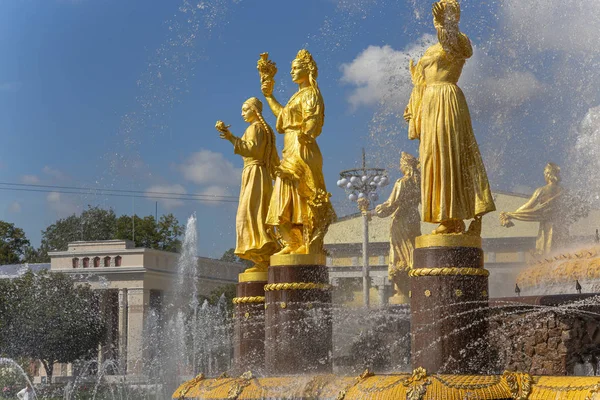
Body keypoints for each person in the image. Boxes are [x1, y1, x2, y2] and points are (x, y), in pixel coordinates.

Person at [404, 0, 495, 235]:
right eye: (443, 13)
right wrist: (413, 109)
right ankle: (444, 216)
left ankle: (452, 216)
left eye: (451, 14)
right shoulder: (429, 50)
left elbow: (452, 41)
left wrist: (446, 25)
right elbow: (420, 82)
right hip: (430, 104)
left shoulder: (459, 42)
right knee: (431, 157)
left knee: (448, 154)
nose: (446, 17)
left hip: (447, 99)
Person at [261, 49, 335, 255]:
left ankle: (306, 240)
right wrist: (268, 96)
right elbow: (283, 116)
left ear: (307, 69)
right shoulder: (297, 96)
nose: (292, 72)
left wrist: (308, 134)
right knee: (284, 194)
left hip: (302, 147)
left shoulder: (311, 93)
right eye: (291, 69)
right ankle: (292, 242)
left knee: (302, 193)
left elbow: (313, 119)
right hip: (290, 145)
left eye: (296, 68)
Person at [215, 97, 280, 272]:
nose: (242, 113)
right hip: (261, 174)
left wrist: (230, 137)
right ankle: (263, 257)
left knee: (248, 214)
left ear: (255, 110)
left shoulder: (255, 128)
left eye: (245, 110)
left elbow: (250, 149)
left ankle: (262, 255)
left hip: (254, 174)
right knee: (258, 212)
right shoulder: (265, 130)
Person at [372, 152, 421, 302]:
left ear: (405, 166)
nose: (399, 166)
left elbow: (391, 204)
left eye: (400, 164)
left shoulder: (403, 182)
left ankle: (401, 292)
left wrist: (375, 212)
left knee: (400, 253)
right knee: (412, 249)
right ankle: (414, 288)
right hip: (414, 219)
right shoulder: (418, 182)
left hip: (401, 221)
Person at [500, 163, 568, 254]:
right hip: (562, 227)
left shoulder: (542, 190)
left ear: (548, 175)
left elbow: (528, 206)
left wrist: (512, 214)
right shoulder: (565, 191)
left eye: (545, 174)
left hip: (547, 226)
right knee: (562, 254)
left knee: (547, 254)